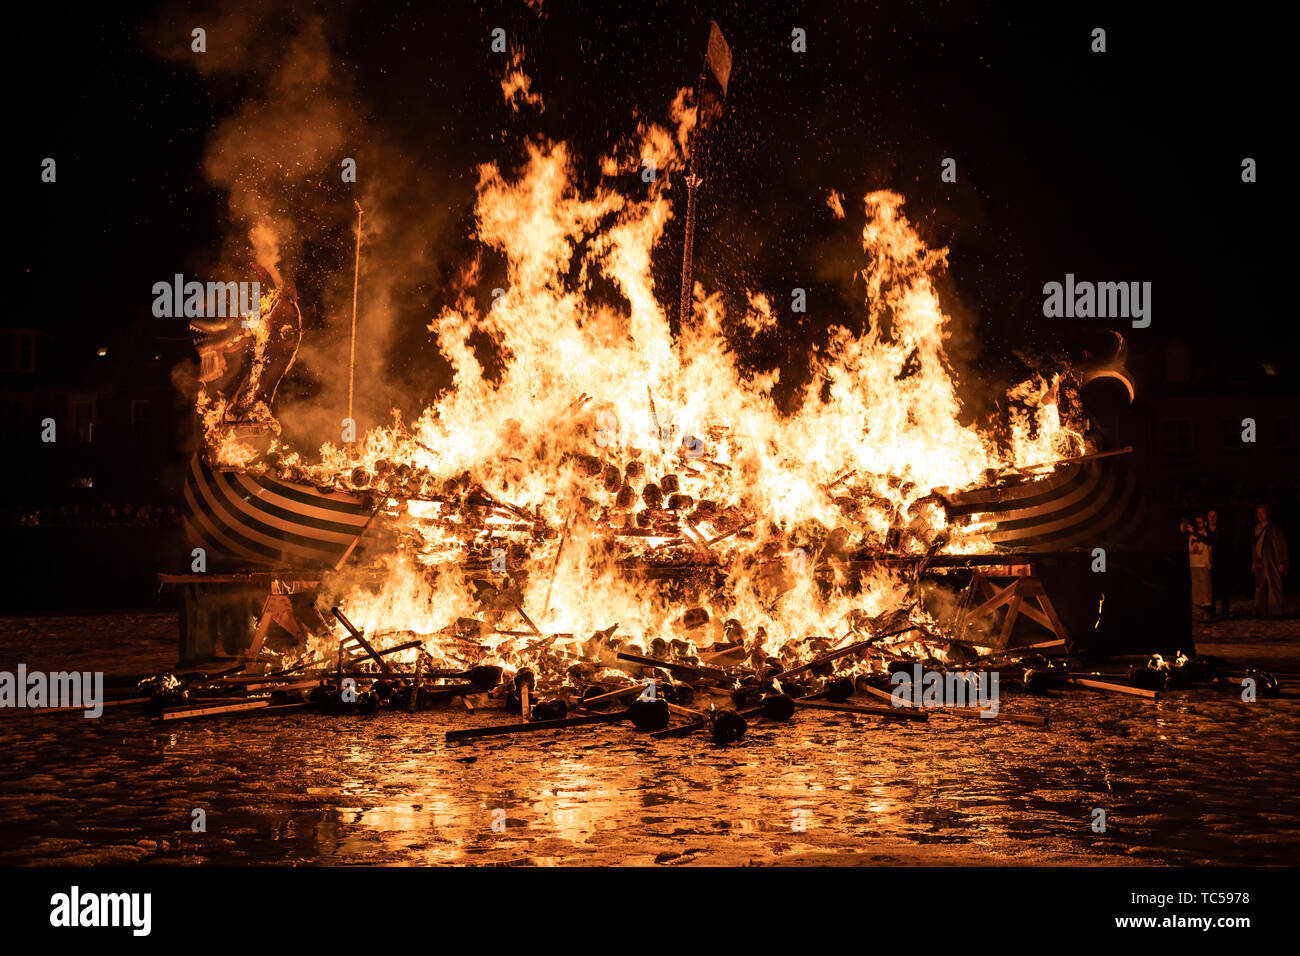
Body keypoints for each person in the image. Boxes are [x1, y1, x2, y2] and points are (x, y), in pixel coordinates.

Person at [1252, 504, 1289, 618]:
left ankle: (1275, 611)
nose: (1260, 515)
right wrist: (1253, 561)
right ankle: (1259, 610)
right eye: (1258, 512)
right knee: (1259, 587)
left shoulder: (1274, 528)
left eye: (1262, 512)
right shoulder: (1256, 528)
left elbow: (1281, 545)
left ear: (1267, 513)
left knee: (1274, 585)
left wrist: (1282, 562)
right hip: (1259, 561)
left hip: (1271, 561)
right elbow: (1254, 546)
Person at [1205, 509, 1230, 618]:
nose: (1212, 518)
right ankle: (1213, 612)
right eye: (1210, 516)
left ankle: (1225, 612)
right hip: (1210, 562)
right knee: (1212, 589)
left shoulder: (1223, 529)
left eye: (1214, 516)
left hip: (1222, 562)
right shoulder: (1205, 530)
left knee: (1224, 588)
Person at [1187, 515, 1212, 614]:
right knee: (1196, 586)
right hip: (1193, 563)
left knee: (1205, 586)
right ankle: (1199, 605)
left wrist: (1209, 562)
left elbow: (1207, 541)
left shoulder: (1206, 533)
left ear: (1205, 523)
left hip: (1203, 563)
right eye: (1196, 522)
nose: (1198, 524)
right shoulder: (1191, 534)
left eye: (1200, 522)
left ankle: (1207, 607)